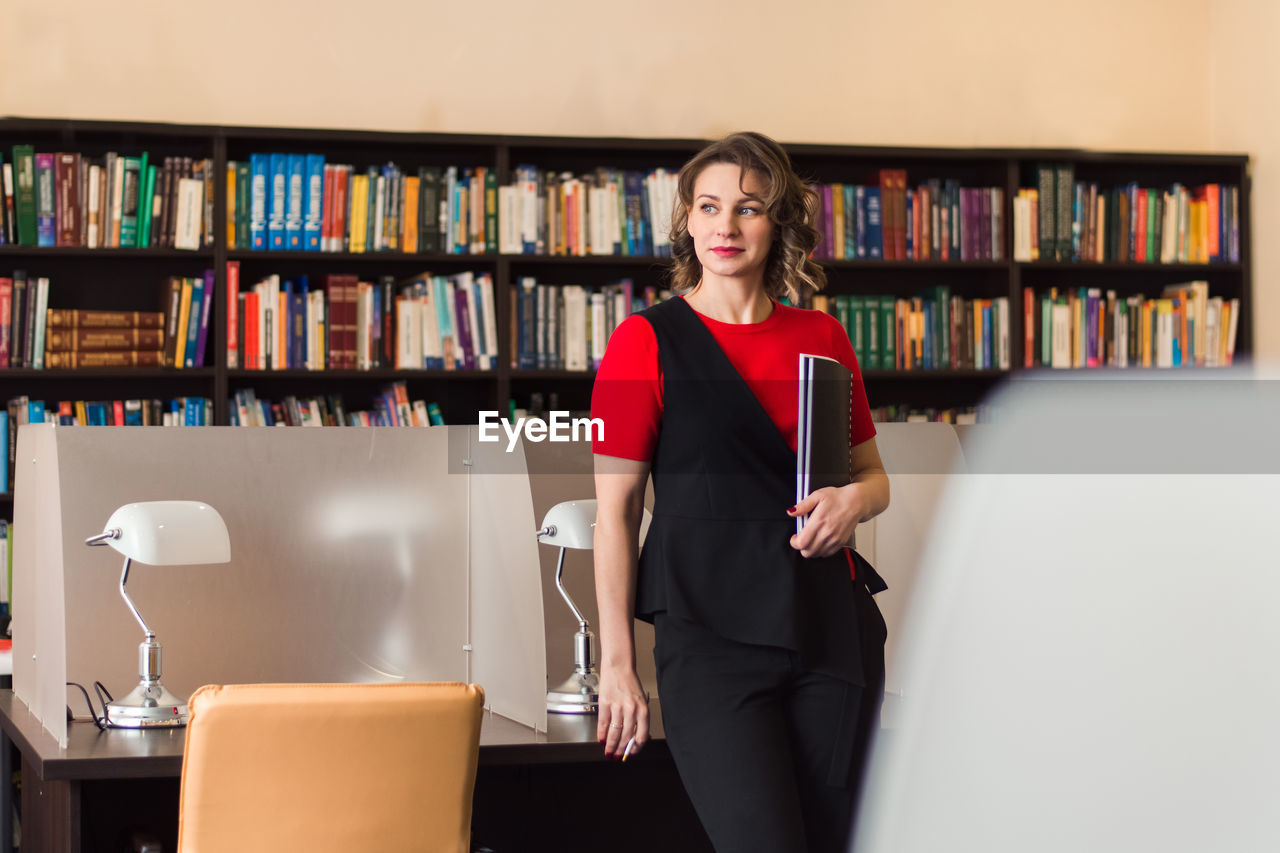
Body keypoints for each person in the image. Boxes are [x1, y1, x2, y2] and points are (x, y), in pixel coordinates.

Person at [590, 131, 891, 852]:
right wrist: (619, 664)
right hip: (709, 641)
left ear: (778, 223)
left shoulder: (823, 335)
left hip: (829, 631)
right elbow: (614, 514)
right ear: (688, 223)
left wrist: (855, 501)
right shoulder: (642, 342)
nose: (726, 226)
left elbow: (874, 478)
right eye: (710, 207)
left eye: (749, 208)